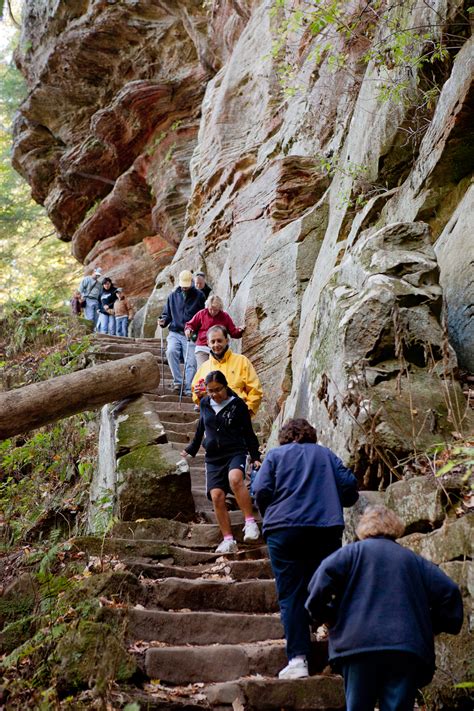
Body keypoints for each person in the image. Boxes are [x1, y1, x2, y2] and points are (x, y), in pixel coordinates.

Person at [306, 505, 463, 711]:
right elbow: (449, 592)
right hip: (404, 648)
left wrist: (327, 617)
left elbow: (320, 583)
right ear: (395, 528)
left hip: (358, 646)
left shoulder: (350, 554)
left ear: (363, 528)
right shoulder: (413, 560)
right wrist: (430, 626)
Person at [253, 418, 358, 680]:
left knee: (290, 594)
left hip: (284, 530)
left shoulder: (276, 455)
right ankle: (343, 655)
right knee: (329, 590)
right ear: (311, 435)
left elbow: (260, 490)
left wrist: (271, 512)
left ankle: (298, 659)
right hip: (325, 528)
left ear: (285, 436)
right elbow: (349, 488)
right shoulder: (326, 455)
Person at [181, 370, 262, 554]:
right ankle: (228, 539)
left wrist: (255, 456)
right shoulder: (204, 403)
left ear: (226, 387)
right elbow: (201, 428)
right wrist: (191, 449)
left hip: (235, 451)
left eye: (217, 390)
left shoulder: (237, 405)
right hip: (213, 456)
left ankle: (250, 523)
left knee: (235, 479)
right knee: (217, 496)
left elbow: (249, 433)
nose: (214, 395)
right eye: (210, 391)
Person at [191, 325, 262, 416]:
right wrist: (199, 395)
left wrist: (246, 411)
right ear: (208, 343)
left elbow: (255, 390)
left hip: (238, 416)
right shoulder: (204, 367)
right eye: (213, 342)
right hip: (213, 419)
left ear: (227, 340)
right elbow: (195, 393)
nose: (216, 345)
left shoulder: (242, 361)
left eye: (219, 341)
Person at [158, 270, 205, 395]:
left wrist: (195, 330)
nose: (184, 287)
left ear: (192, 283)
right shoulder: (173, 296)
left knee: (191, 361)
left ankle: (189, 388)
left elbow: (202, 316)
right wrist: (163, 321)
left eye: (187, 284)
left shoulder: (199, 296)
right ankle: (178, 382)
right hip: (174, 332)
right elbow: (166, 314)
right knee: (171, 351)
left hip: (191, 334)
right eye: (183, 284)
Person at [185, 295, 245, 368]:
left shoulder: (225, 316)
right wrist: (188, 329)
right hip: (203, 346)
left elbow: (233, 333)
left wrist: (240, 330)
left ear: (220, 308)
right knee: (203, 369)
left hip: (219, 348)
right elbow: (190, 324)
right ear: (207, 307)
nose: (212, 312)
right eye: (210, 309)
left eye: (215, 310)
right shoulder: (201, 313)